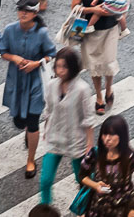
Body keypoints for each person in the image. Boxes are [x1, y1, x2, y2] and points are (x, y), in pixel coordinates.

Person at [1, 0, 58, 179]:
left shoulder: (41, 33)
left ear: (35, 13)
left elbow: (51, 54)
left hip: (35, 82)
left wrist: (36, 63)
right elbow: (3, 51)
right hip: (16, 81)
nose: (23, 14)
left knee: (33, 121)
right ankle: (27, 130)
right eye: (20, 10)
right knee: (19, 121)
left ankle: (31, 159)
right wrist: (15, 58)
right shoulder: (10, 30)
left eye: (27, 11)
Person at [38, 47, 98, 207]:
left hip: (76, 140)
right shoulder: (51, 86)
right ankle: (45, 209)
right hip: (55, 138)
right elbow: (48, 110)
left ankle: (87, 207)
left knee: (83, 179)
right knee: (45, 180)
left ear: (72, 68)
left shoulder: (82, 89)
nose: (60, 70)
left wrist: (89, 145)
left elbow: (89, 119)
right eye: (58, 66)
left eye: (64, 67)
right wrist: (46, 129)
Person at [75, 114, 134, 217]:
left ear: (121, 136)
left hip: (124, 209)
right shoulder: (95, 154)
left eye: (111, 135)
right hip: (99, 208)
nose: (107, 139)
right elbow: (82, 176)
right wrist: (95, 185)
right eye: (104, 134)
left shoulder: (133, 158)